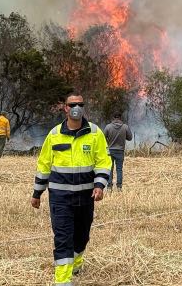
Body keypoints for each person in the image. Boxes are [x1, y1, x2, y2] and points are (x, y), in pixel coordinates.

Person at [31, 93, 111, 285]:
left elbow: (103, 161)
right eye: (72, 104)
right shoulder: (54, 135)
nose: (77, 108)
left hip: (86, 197)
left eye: (80, 104)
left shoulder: (95, 133)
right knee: (63, 237)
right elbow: (44, 165)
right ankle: (63, 280)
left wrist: (100, 185)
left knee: (82, 236)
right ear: (65, 108)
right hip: (60, 198)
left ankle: (75, 263)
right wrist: (37, 193)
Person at [104, 111, 133, 190]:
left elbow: (103, 138)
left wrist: (107, 143)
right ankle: (119, 187)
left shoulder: (108, 127)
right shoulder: (125, 127)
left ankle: (109, 186)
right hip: (120, 151)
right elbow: (130, 138)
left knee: (110, 169)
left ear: (113, 118)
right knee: (119, 169)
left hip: (110, 151)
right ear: (120, 118)